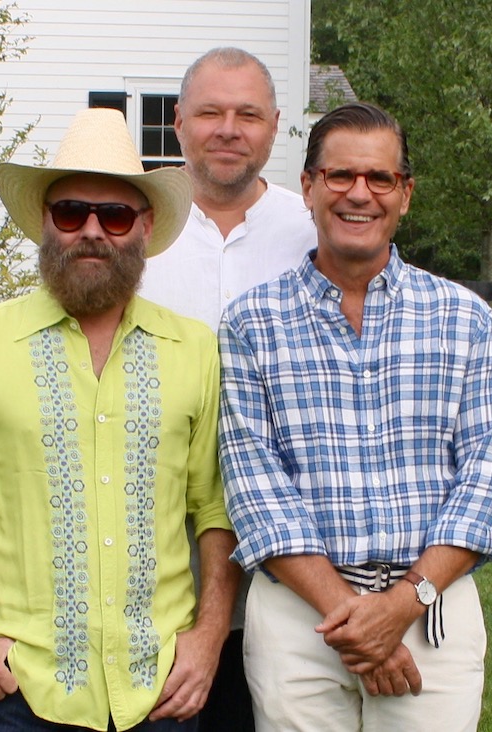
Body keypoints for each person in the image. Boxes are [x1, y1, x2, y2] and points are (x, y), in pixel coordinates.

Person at [0, 108, 238, 732]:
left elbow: (216, 511)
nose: (92, 231)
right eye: (70, 212)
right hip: (17, 689)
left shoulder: (194, 350)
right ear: (43, 223)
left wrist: (209, 636)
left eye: (113, 215)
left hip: (159, 689)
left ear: (143, 226)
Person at [218, 102, 492, 732]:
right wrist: (359, 620)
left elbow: (485, 483)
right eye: (339, 176)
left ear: (404, 193)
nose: (360, 194)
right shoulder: (250, 324)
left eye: (380, 178)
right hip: (300, 618)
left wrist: (400, 607)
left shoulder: (464, 320)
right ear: (308, 187)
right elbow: (255, 488)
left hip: (433, 614)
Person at [137, 46, 317, 732]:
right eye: (210, 112)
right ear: (178, 122)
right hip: (158, 535)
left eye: (247, 114)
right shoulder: (137, 227)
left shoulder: (312, 231)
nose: (228, 128)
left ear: (275, 126)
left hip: (290, 536)